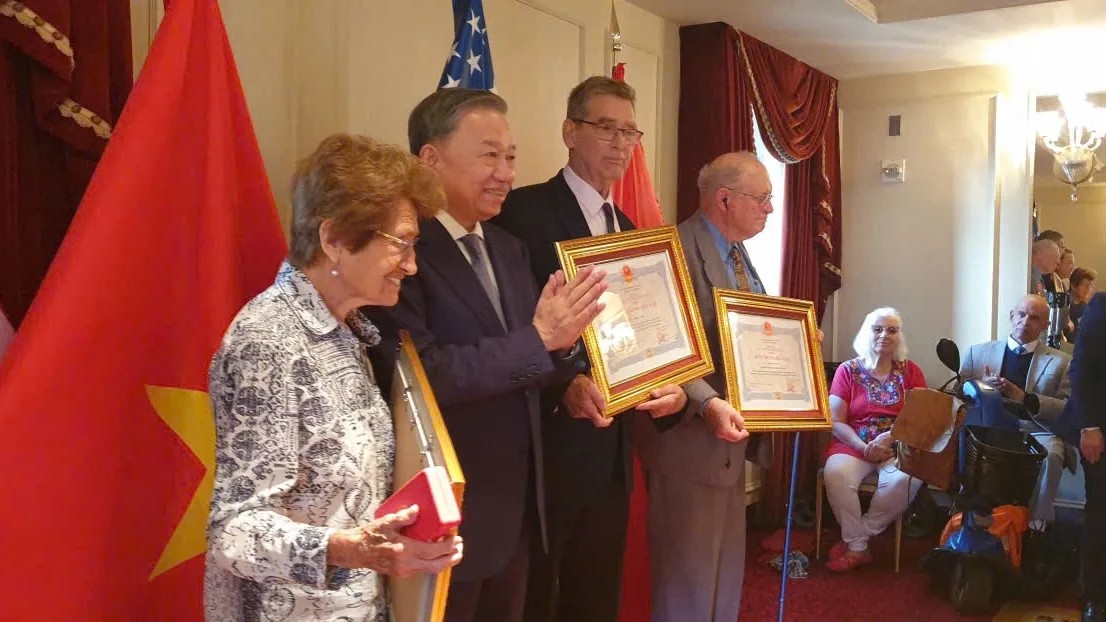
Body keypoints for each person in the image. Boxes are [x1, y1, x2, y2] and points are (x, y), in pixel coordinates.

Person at [366, 88, 609, 622]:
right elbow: (424, 376)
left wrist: (566, 383)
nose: (505, 173)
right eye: (489, 155)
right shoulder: (399, 256)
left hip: (523, 510)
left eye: (512, 157)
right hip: (446, 520)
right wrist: (541, 341)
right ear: (430, 159)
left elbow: (529, 349)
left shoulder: (507, 246)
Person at [204, 135, 463, 621]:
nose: (411, 264)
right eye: (401, 244)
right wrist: (354, 551)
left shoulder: (344, 330)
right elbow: (234, 532)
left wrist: (404, 537)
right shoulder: (269, 341)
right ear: (335, 240)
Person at [492, 75, 688, 622]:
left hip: (611, 451)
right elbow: (510, 329)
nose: (621, 144)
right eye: (607, 128)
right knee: (539, 600)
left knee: (595, 595)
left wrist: (667, 386)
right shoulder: (523, 214)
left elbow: (638, 335)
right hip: (548, 448)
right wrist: (565, 384)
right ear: (570, 132)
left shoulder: (627, 227)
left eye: (631, 132)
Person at [634, 152, 778, 621]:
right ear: (724, 199)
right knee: (686, 584)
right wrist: (707, 400)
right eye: (761, 199)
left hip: (730, 442)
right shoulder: (672, 250)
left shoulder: (738, 255)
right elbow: (658, 349)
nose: (769, 210)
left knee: (723, 577)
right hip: (688, 443)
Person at [822, 307, 927, 572]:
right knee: (836, 475)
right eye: (878, 329)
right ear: (866, 333)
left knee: (906, 479)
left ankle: (857, 541)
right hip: (853, 444)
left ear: (899, 336)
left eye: (892, 330)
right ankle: (859, 547)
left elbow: (921, 415)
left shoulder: (910, 371)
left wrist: (890, 438)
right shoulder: (847, 371)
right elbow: (836, 421)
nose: (884, 335)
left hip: (897, 445)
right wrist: (862, 446)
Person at [958, 295, 1073, 534]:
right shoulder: (977, 353)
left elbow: (1066, 407)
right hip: (988, 426)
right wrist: (983, 387)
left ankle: (1036, 524)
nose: (1025, 322)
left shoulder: (1062, 362)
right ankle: (969, 517)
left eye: (1034, 318)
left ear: (1045, 326)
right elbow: (959, 393)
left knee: (1053, 454)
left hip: (1036, 428)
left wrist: (1024, 397)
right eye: (1021, 315)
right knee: (964, 445)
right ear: (1011, 316)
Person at [1052, 293, 1106, 622]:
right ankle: (1095, 597)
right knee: (1101, 511)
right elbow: (1083, 368)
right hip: (1100, 427)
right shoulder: (1102, 306)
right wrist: (1089, 427)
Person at [1069, 267, 1098, 336]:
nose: (1090, 289)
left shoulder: (1085, 305)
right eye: (1087, 286)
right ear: (1073, 285)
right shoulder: (1065, 304)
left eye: (1091, 286)